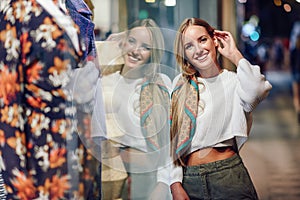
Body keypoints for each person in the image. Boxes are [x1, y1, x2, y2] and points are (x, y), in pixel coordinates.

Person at [0, 0, 101, 198]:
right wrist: (21, 187)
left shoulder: (67, 10)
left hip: (74, 153)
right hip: (41, 159)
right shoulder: (17, 13)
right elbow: (7, 105)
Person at [170, 18, 272, 199]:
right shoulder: (180, 86)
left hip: (229, 177)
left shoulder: (234, 81)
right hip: (190, 180)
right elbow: (171, 142)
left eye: (202, 40)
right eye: (189, 46)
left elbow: (257, 90)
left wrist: (234, 54)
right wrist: (175, 183)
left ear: (214, 40)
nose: (198, 50)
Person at [94, 18, 172, 199]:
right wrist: (115, 40)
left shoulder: (159, 85)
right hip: (108, 176)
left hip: (146, 178)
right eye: (132, 41)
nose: (136, 51)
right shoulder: (106, 82)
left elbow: (169, 144)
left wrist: (163, 184)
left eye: (145, 47)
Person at [290, 34, 300, 124]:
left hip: (295, 74)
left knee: (296, 95)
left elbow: (291, 64)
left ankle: (298, 110)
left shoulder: (294, 51)